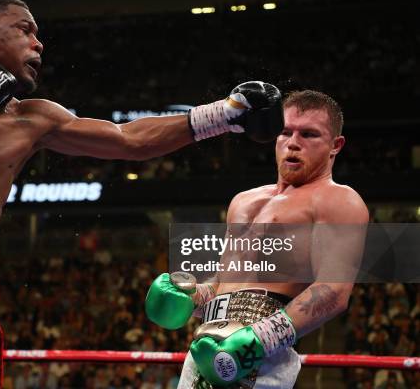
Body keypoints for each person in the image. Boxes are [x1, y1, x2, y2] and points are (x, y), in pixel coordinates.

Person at [0, 0, 283, 389]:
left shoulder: (35, 118)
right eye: (26, 30)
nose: (40, 44)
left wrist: (224, 115)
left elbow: (127, 139)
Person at [145, 90, 369, 388]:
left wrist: (260, 340)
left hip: (262, 356)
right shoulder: (243, 201)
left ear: (335, 145)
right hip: (206, 345)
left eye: (309, 134)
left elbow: (334, 291)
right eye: (285, 132)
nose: (293, 142)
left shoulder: (339, 200)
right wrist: (193, 298)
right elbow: (224, 283)